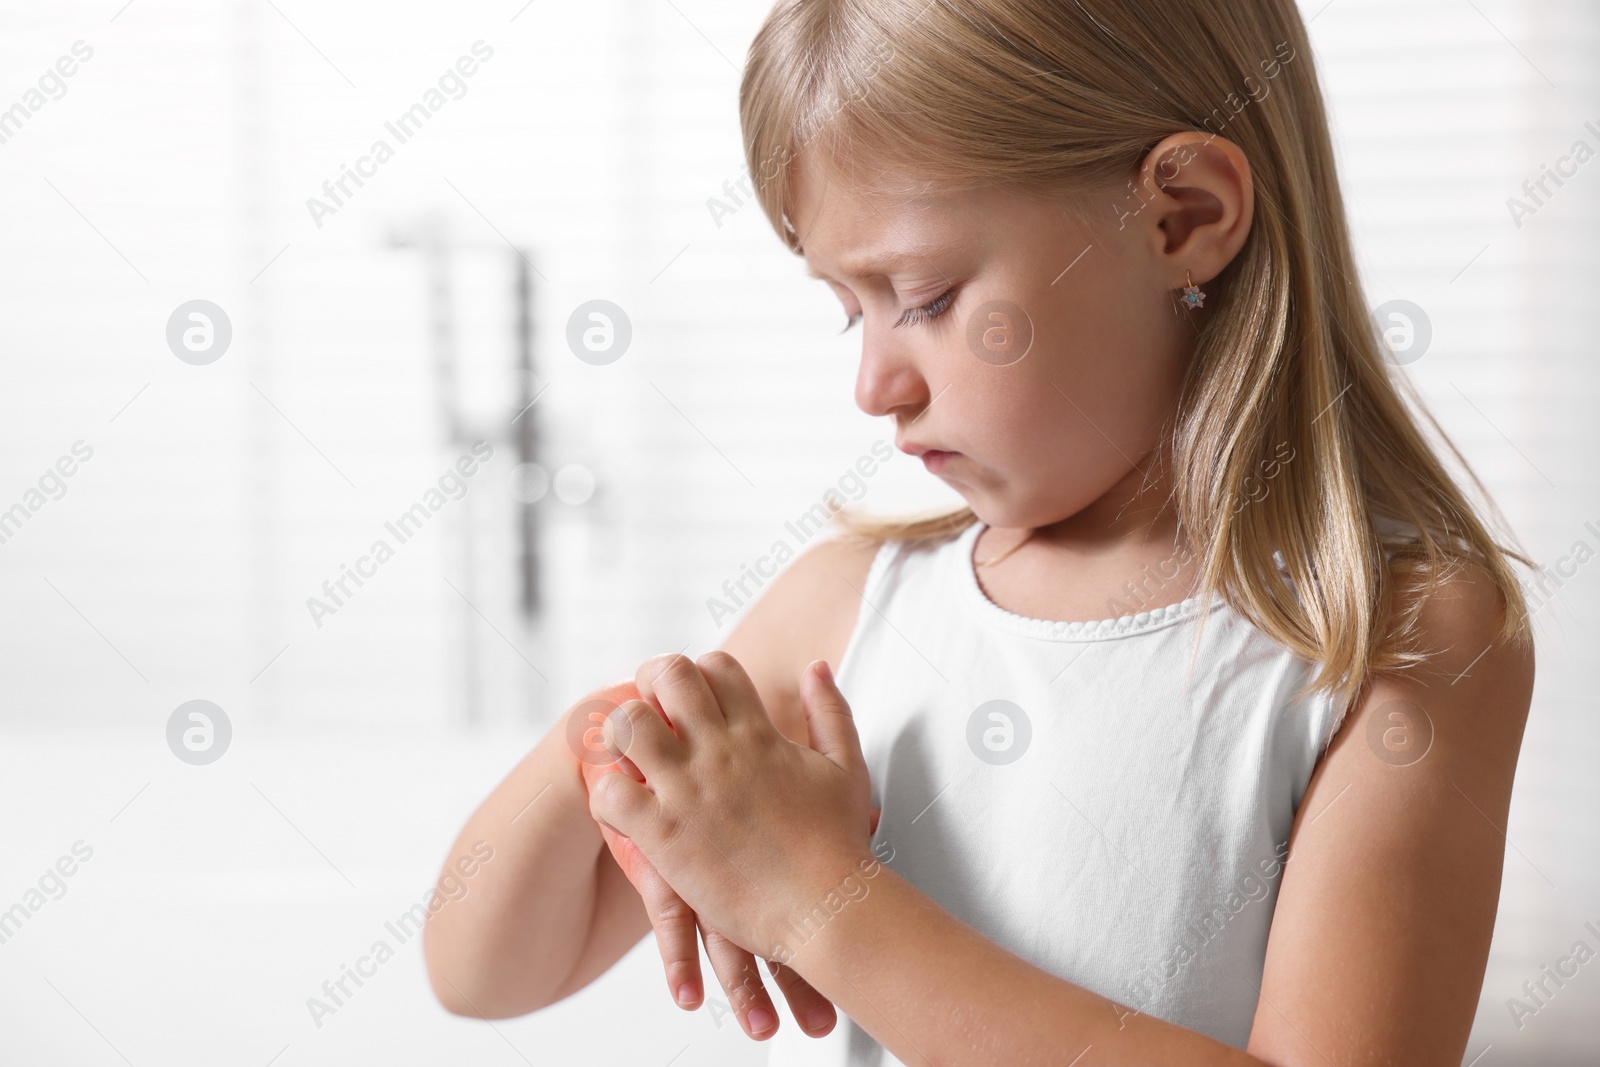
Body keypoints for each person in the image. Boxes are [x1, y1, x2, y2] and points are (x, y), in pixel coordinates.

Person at [423, 0, 1536, 1062]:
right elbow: (481, 972)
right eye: (844, 307)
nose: (871, 381)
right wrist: (612, 743)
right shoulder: (844, 605)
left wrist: (818, 899)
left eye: (923, 293)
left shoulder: (1399, 635)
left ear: (1182, 217)